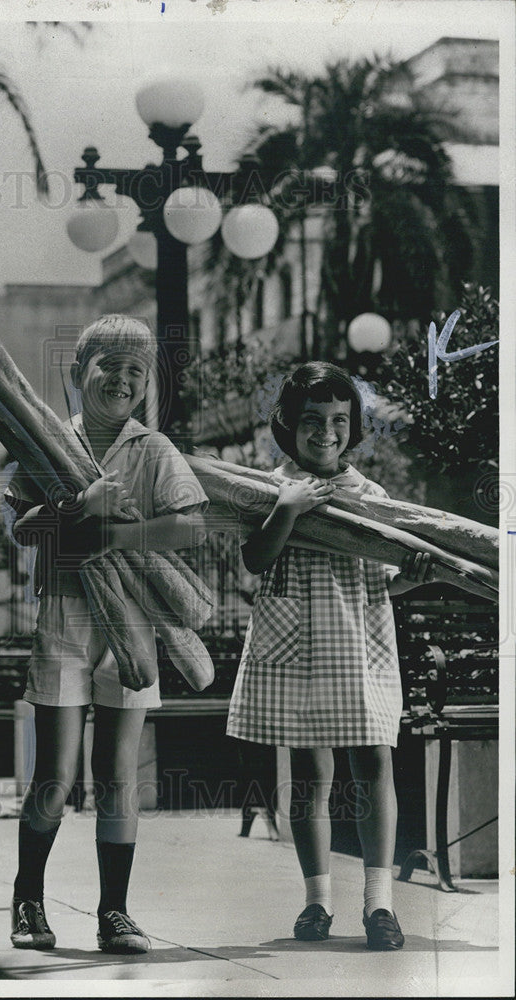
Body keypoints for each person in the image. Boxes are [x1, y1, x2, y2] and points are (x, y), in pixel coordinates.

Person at [5, 315, 207, 954]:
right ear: (76, 373)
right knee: (56, 776)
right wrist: (77, 508)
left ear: (146, 384)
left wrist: (116, 535)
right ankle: (29, 898)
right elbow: (22, 526)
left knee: (119, 773)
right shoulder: (43, 441)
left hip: (132, 618)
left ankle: (113, 912)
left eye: (136, 372)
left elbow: (191, 526)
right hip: (65, 612)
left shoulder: (152, 448)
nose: (122, 380)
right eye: (108, 367)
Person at [227, 362, 432, 951]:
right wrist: (287, 508)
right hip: (295, 644)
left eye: (339, 421)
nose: (326, 432)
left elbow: (380, 583)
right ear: (288, 425)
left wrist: (410, 580)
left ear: (354, 427)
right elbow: (255, 561)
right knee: (311, 775)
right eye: (312, 420)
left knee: (372, 764)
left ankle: (379, 904)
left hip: (358, 643)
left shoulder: (372, 497)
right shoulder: (267, 489)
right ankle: (317, 901)